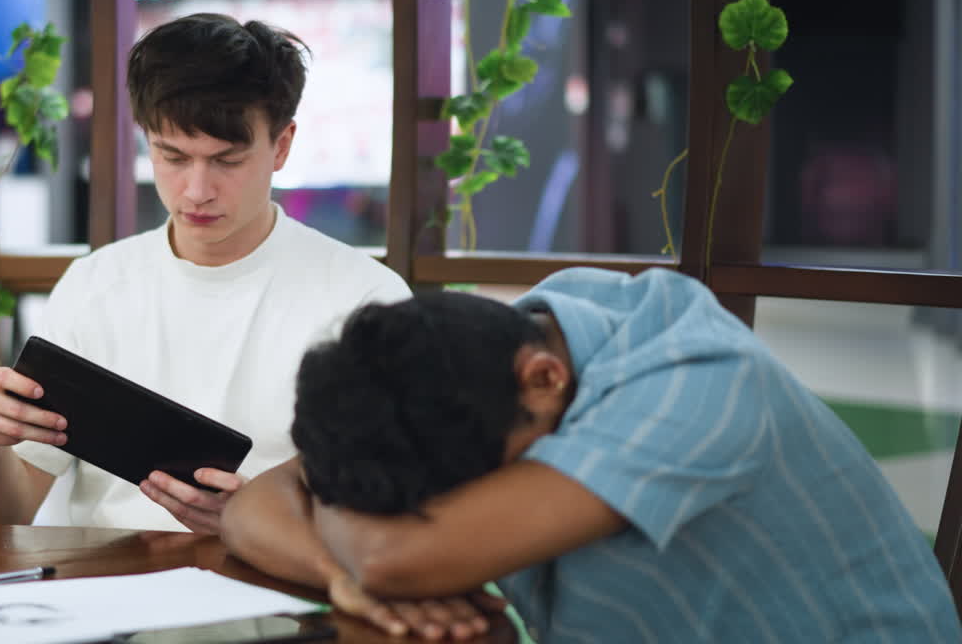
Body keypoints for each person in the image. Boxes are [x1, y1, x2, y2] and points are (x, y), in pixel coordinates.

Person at [222, 267, 962, 642]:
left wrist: (354, 542)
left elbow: (392, 559)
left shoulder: (695, 387)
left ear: (544, 381)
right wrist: (335, 574)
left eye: (443, 500)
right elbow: (252, 507)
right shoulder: (476, 363)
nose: (440, 513)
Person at [0, 13, 410, 535]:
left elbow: (390, 520)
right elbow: (1, 520)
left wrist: (256, 525)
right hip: (109, 593)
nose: (196, 191)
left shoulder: (364, 301)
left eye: (227, 160)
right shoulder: (96, 284)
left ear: (282, 146)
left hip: (281, 589)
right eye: (171, 156)